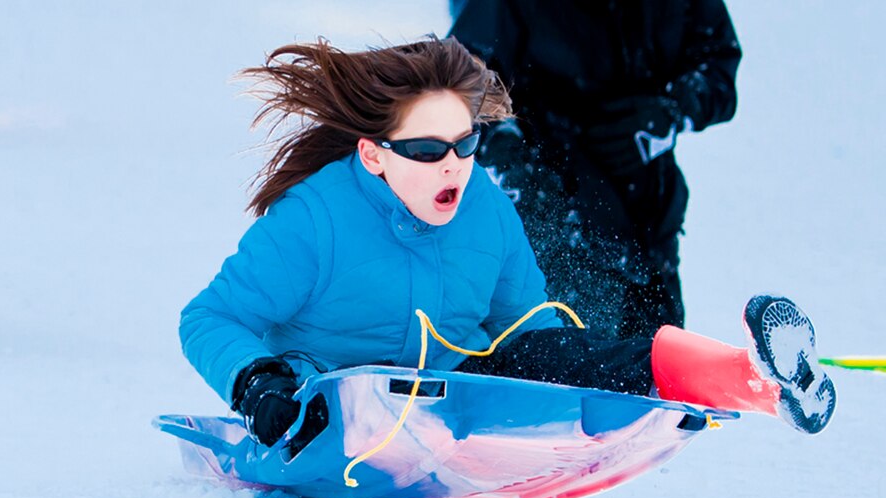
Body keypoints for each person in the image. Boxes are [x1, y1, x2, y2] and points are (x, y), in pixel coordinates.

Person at [179, 37, 834, 456]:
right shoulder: (314, 220)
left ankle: (757, 381)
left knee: (572, 355)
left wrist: (582, 379)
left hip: (450, 400)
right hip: (326, 410)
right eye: (430, 150)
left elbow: (526, 326)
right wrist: (257, 384)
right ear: (374, 156)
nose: (455, 166)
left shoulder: (484, 208)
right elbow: (210, 318)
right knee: (338, 393)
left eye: (466, 144)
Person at [449, 0, 742, 340]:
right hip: (557, 213)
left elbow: (718, 62)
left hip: (650, 218)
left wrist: (672, 111)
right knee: (573, 367)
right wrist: (505, 148)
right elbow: (464, 78)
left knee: (657, 371)